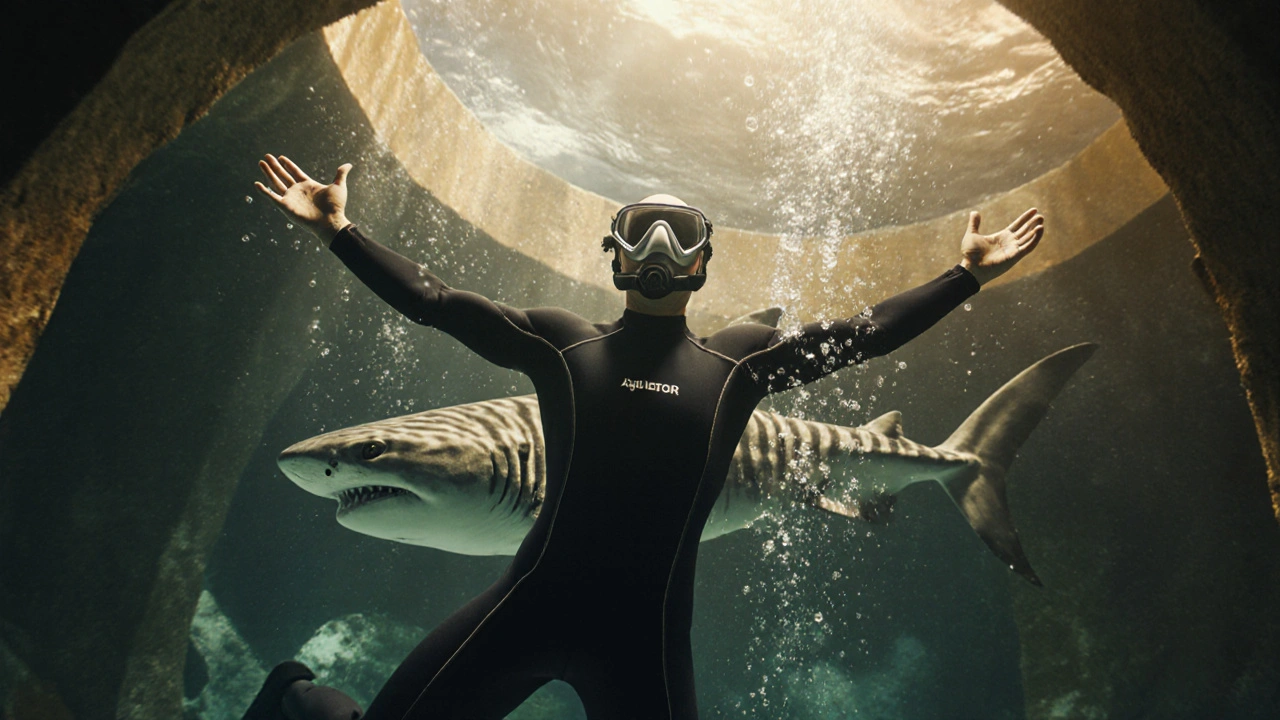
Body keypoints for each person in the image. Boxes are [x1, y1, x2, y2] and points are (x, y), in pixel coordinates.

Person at [245, 153, 1044, 720]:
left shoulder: (740, 362)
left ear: (699, 265)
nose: (660, 249)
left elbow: (862, 335)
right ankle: (293, 694)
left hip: (644, 639)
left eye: (680, 236)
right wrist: (339, 231)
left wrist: (965, 275)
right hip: (527, 608)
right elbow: (437, 303)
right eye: (641, 233)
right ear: (616, 257)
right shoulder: (563, 342)